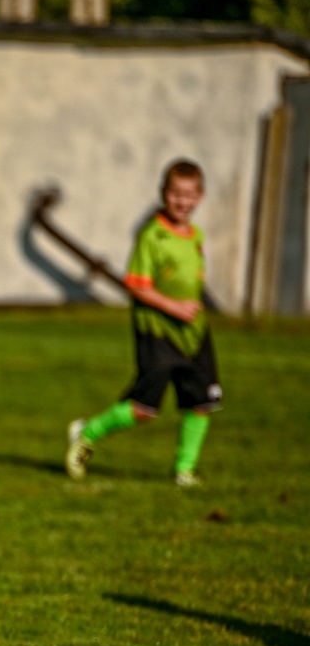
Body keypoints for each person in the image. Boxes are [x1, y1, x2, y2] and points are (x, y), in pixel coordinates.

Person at [66, 160, 219, 487]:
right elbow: (136, 285)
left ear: (200, 197)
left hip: (193, 333)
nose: (182, 201)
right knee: (144, 409)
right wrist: (174, 307)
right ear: (164, 194)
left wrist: (190, 311)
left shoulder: (196, 235)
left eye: (189, 195)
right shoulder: (152, 235)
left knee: (201, 403)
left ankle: (184, 470)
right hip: (158, 332)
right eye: (176, 194)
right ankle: (88, 432)